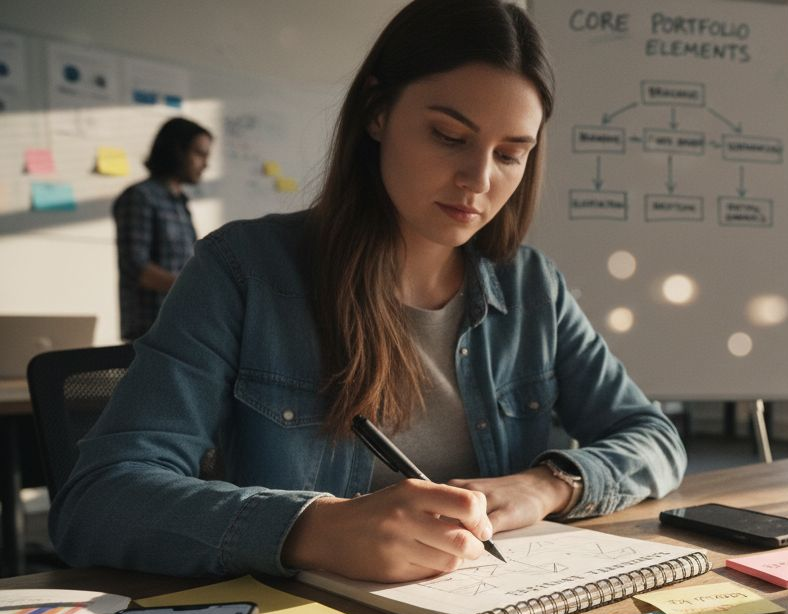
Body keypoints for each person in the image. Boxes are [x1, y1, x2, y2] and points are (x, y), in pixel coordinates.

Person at [52, 0, 685, 583]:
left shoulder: (531, 287)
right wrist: (313, 528)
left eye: (511, 154)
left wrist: (549, 485)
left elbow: (653, 437)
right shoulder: (244, 271)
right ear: (378, 113)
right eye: (448, 136)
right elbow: (100, 498)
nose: (478, 179)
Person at [113, 117, 213, 341]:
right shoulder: (140, 197)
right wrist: (196, 291)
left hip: (181, 327)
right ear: (176, 151)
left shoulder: (181, 202)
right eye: (200, 154)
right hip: (149, 331)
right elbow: (136, 266)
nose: (205, 164)